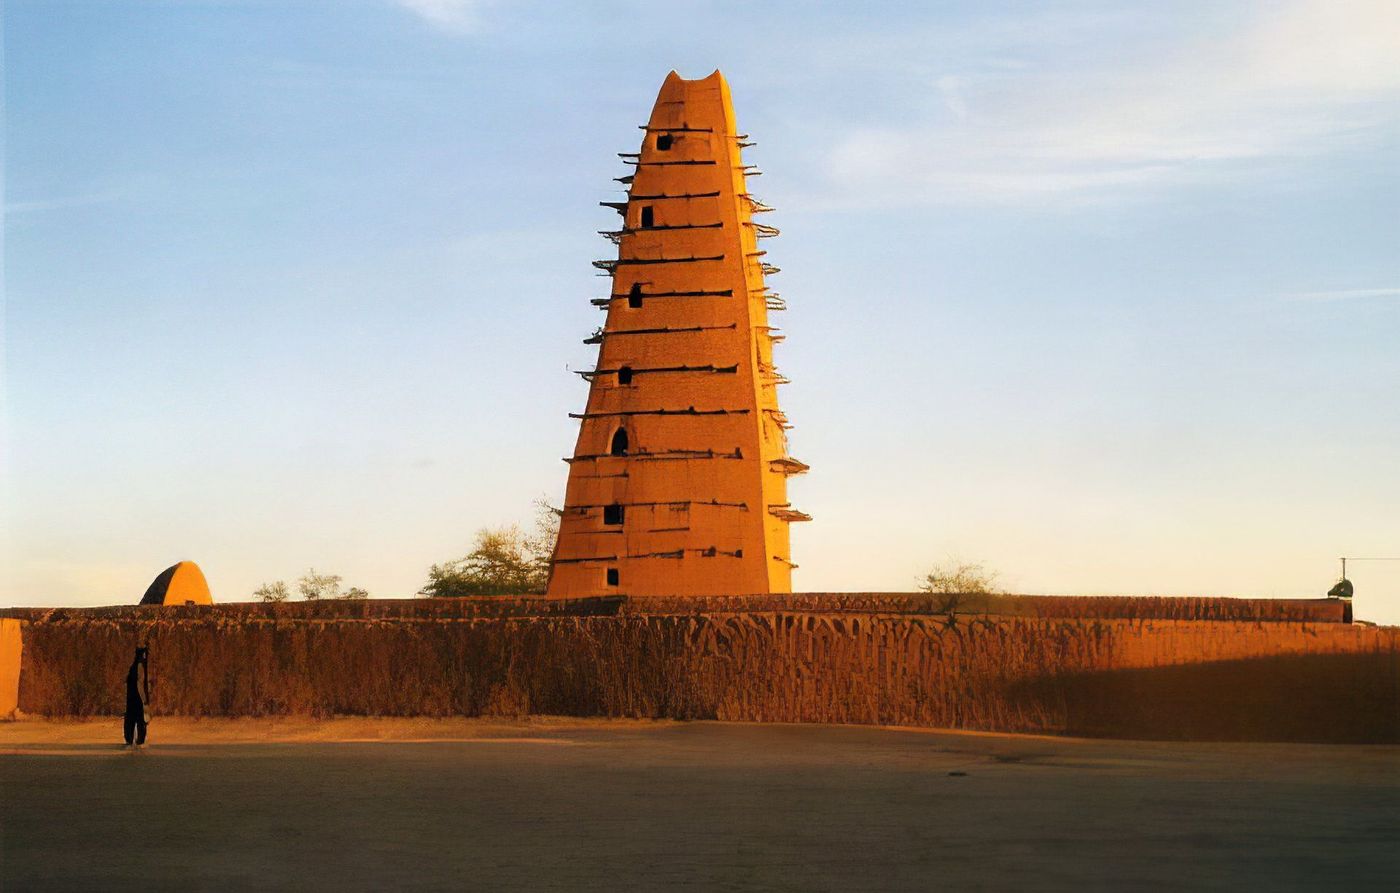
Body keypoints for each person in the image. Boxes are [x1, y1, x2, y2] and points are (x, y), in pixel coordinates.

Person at [123, 646, 150, 746]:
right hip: (137, 698)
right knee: (140, 720)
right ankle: (140, 741)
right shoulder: (140, 667)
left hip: (130, 698)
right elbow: (140, 684)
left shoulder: (132, 667)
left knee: (130, 719)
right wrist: (144, 699)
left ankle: (129, 739)